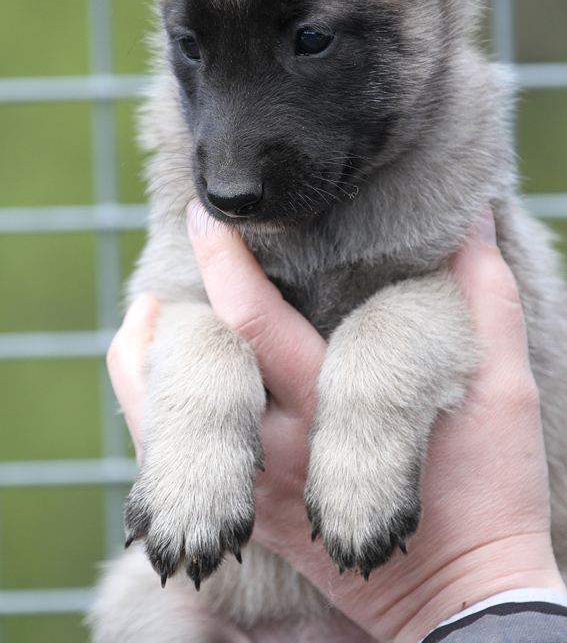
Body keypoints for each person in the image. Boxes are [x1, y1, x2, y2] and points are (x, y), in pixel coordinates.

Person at [107, 207, 567, 642]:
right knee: (141, 601)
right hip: (229, 613)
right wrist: (201, 399)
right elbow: (168, 318)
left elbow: (460, 306)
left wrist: (443, 585)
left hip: (504, 588)